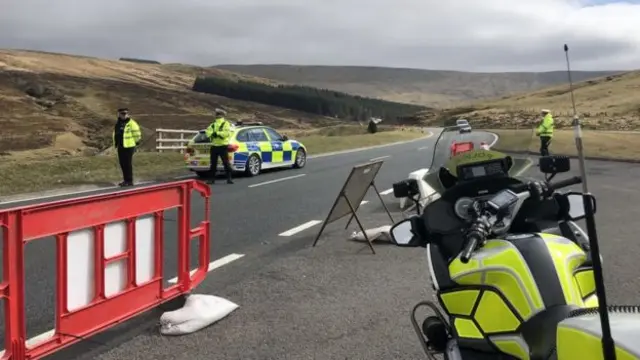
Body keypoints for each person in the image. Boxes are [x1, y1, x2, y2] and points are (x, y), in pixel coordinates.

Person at [113, 108, 142, 187]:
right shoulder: (118, 123)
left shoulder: (131, 123)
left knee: (127, 163)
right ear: (118, 114)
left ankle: (129, 181)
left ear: (128, 114)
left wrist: (137, 142)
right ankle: (125, 180)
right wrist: (115, 143)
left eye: (125, 114)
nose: (124, 115)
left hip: (129, 146)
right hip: (121, 146)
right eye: (122, 114)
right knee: (122, 163)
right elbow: (116, 133)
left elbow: (137, 134)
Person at [205, 108, 233, 184]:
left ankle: (213, 179)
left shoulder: (224, 123)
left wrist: (216, 134)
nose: (217, 116)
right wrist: (213, 134)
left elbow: (226, 133)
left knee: (216, 163)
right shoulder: (215, 124)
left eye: (218, 115)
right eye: (217, 115)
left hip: (219, 146)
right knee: (225, 163)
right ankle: (228, 178)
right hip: (219, 146)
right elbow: (208, 132)